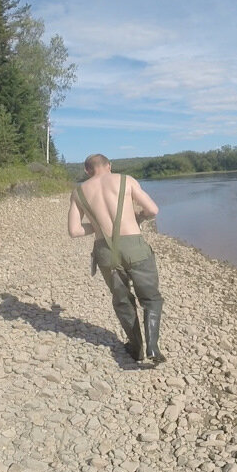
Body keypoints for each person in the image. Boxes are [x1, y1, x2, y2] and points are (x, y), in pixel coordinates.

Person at [68, 154, 166, 363]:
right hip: (135, 248)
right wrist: (140, 217)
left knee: (123, 302)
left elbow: (74, 231)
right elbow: (153, 210)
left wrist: (95, 226)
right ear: (109, 166)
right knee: (151, 298)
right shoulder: (126, 180)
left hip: (105, 252)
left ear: (87, 170)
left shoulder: (78, 192)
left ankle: (136, 348)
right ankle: (153, 348)